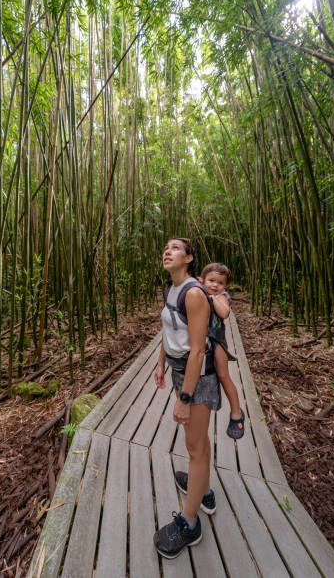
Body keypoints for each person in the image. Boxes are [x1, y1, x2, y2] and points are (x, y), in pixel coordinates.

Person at [153, 238, 221, 559]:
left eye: (176, 248)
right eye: (166, 248)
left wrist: (184, 397)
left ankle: (190, 523)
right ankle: (204, 492)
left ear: (190, 258)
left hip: (200, 378)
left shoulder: (194, 294)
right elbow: (170, 331)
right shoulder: (171, 290)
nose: (168, 251)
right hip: (181, 371)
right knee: (199, 443)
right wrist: (160, 362)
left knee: (194, 448)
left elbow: (197, 351)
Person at [200, 263, 245, 439]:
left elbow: (224, 313)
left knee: (224, 376)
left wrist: (212, 298)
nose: (214, 285)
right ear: (203, 279)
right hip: (198, 342)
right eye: (211, 280)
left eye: (219, 283)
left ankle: (236, 412)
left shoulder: (221, 296)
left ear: (225, 286)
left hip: (216, 340)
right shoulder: (197, 290)